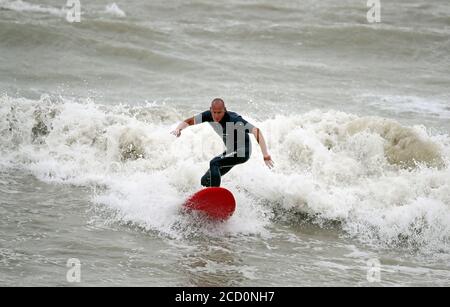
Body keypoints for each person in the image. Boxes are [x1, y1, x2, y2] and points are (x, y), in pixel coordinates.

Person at [171, 98, 274, 187]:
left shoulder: (234, 119)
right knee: (206, 180)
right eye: (214, 112)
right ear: (210, 110)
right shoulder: (207, 115)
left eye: (219, 112)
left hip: (242, 151)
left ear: (225, 110)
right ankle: (209, 202)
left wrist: (265, 155)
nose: (216, 115)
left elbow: (257, 131)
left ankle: (215, 196)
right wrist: (178, 129)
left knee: (214, 162)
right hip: (231, 152)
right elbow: (189, 121)